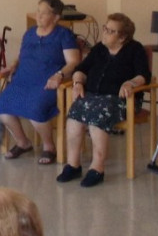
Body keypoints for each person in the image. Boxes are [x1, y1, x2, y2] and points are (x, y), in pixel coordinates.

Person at [56, 12, 151, 187]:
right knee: (75, 111)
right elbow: (81, 68)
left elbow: (143, 75)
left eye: (110, 30)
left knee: (96, 112)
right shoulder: (99, 48)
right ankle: (73, 164)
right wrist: (77, 82)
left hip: (121, 100)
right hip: (93, 96)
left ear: (122, 37)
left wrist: (130, 83)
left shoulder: (135, 49)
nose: (105, 32)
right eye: (105, 28)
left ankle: (97, 168)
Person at [0, 0, 80, 164]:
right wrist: (12, 66)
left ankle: (49, 147)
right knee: (3, 107)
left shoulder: (64, 35)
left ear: (56, 17)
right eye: (38, 11)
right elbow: (22, 57)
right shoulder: (29, 34)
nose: (39, 16)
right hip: (24, 80)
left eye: (44, 13)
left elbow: (73, 61)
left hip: (48, 82)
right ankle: (23, 142)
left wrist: (59, 75)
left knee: (36, 109)